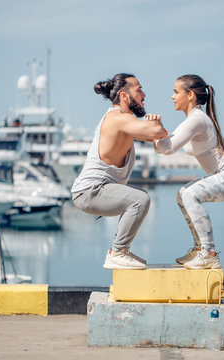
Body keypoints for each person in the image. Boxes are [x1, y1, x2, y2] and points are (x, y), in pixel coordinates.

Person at [154, 74, 224, 269]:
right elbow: (165, 143)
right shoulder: (193, 119)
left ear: (191, 95)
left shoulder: (197, 119)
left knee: (191, 193)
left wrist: (149, 131)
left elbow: (166, 148)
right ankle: (199, 249)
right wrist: (152, 133)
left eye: (176, 92)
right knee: (182, 194)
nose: (172, 96)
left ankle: (209, 253)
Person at [71, 73, 167, 270]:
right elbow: (156, 133)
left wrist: (157, 130)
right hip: (90, 191)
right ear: (124, 96)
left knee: (138, 200)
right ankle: (118, 252)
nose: (144, 95)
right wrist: (156, 124)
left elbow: (158, 138)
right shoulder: (117, 118)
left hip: (94, 191)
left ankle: (121, 252)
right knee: (139, 199)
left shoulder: (126, 123)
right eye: (139, 90)